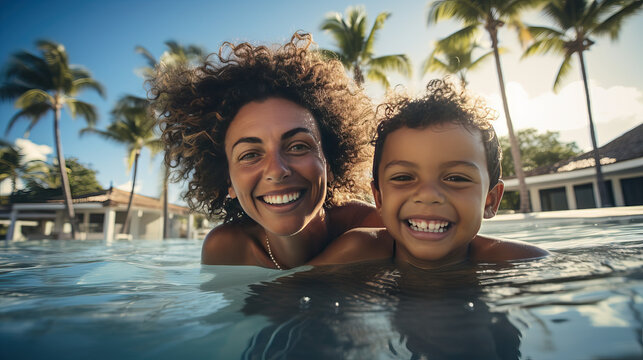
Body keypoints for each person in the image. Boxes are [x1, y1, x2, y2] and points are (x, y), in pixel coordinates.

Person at [150, 32, 385, 268]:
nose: (276, 170)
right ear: (229, 182)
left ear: (329, 163)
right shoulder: (226, 252)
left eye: (298, 146)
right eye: (250, 155)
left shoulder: (376, 227)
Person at [340, 79, 548, 269]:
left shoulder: (519, 262)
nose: (428, 195)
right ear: (379, 198)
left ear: (490, 200)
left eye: (456, 178)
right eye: (403, 177)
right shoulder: (355, 252)